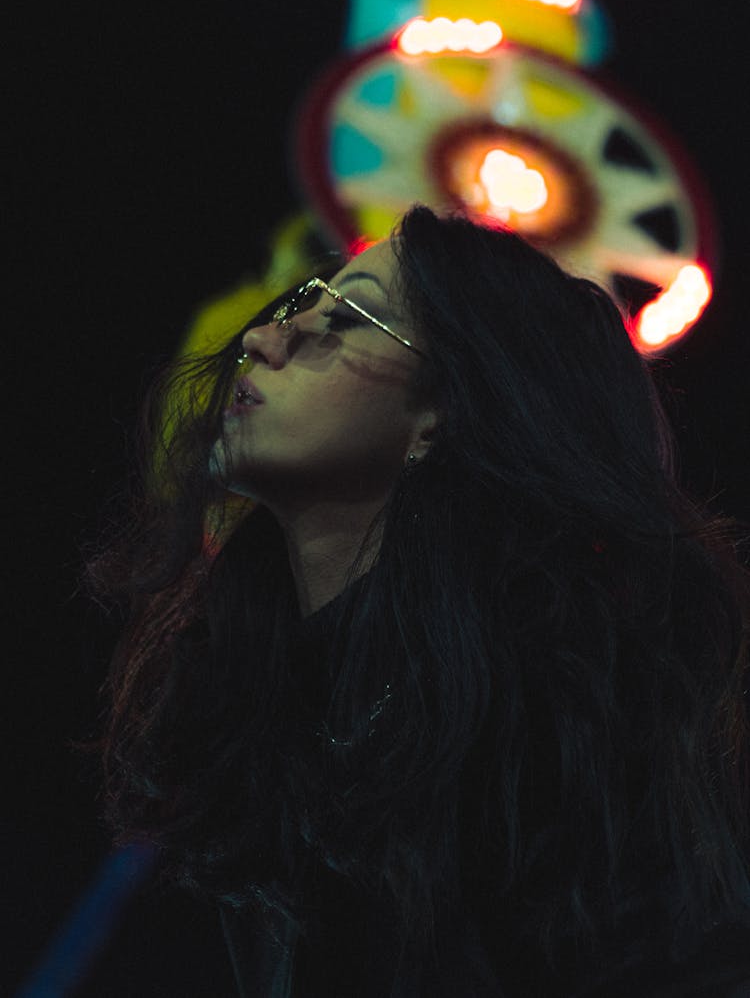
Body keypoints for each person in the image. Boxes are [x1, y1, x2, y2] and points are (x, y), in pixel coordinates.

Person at [90, 205, 750, 996]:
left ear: (443, 413)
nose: (265, 338)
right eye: (296, 306)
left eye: (346, 317)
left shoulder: (572, 713)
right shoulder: (248, 712)